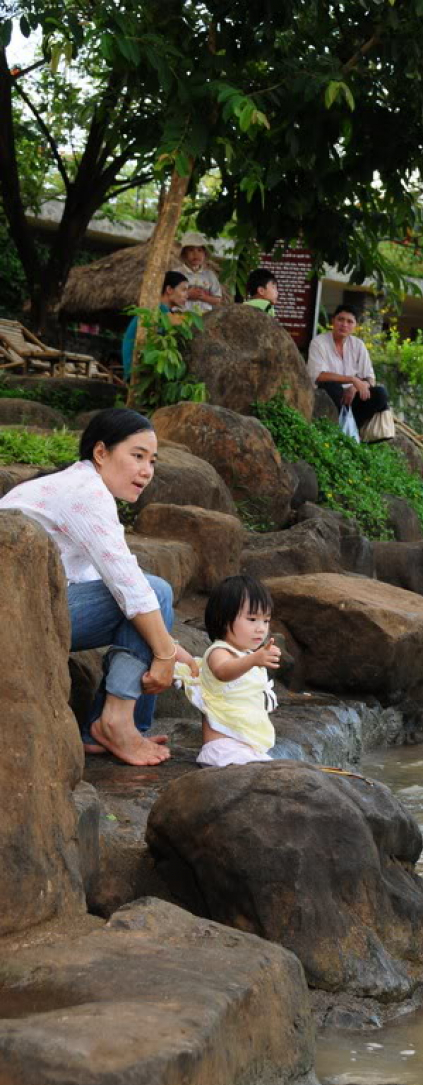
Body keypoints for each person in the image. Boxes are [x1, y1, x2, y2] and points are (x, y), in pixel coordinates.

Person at [0, 408, 197, 766]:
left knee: (150, 599)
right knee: (153, 593)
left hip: (28, 610)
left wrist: (170, 646)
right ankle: (116, 723)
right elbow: (129, 587)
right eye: (136, 456)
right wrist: (165, 654)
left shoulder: (79, 486)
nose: (146, 470)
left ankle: (113, 728)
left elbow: (100, 576)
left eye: (152, 461)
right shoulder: (85, 494)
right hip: (16, 620)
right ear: (101, 452)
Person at [174, 574, 281, 767]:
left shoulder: (246, 655)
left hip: (245, 746)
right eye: (252, 619)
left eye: (266, 621)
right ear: (224, 620)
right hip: (223, 748)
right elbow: (223, 672)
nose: (261, 628)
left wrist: (253, 658)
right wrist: (254, 659)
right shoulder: (219, 651)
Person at [307, 304, 391, 435]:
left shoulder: (358, 345)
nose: (344, 324)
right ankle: (343, 430)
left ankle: (352, 429)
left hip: (352, 398)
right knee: (332, 386)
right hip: (328, 396)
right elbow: (317, 376)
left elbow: (370, 378)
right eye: (340, 319)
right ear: (333, 321)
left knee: (380, 393)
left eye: (349, 321)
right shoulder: (319, 342)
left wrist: (354, 387)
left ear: (355, 326)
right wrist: (352, 379)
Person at [121, 270, 188, 381]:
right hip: (138, 371)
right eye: (184, 290)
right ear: (169, 290)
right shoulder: (158, 309)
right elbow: (182, 323)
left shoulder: (164, 311)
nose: (187, 295)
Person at [179, 232, 223, 314]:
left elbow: (217, 300)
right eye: (191, 250)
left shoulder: (210, 275)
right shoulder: (177, 273)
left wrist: (204, 297)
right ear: (184, 254)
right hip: (182, 315)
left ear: (205, 254)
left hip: (205, 317)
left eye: (199, 250)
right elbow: (170, 296)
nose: (196, 254)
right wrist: (187, 294)